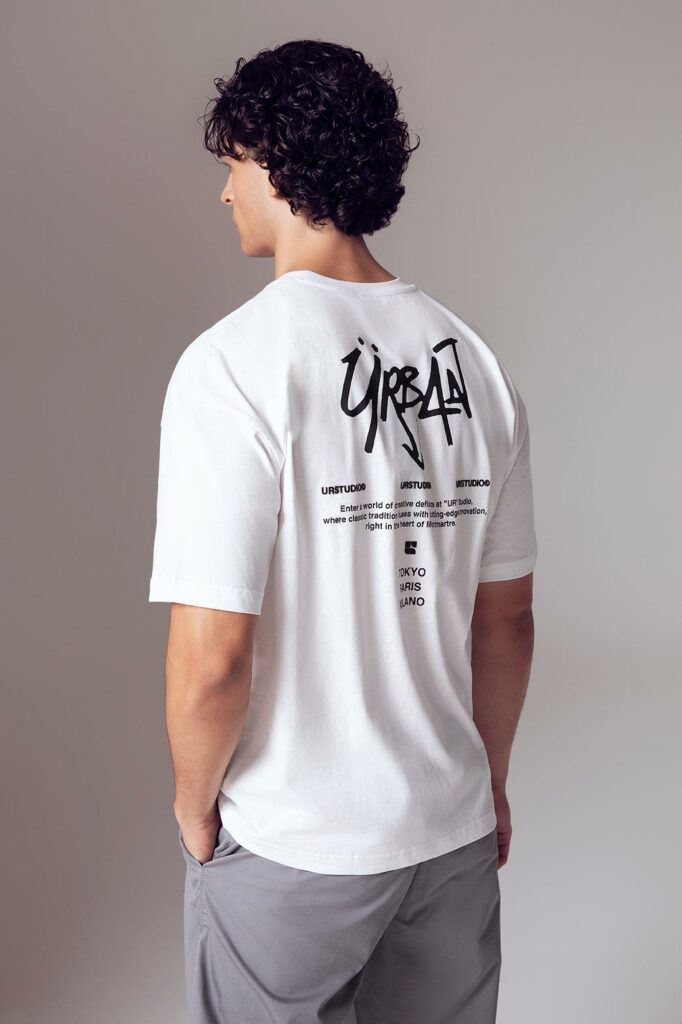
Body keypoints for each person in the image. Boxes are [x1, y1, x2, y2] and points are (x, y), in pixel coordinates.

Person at [148, 38, 536, 1024]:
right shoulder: (476, 363)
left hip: (296, 840)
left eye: (233, 163)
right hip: (448, 835)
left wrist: (194, 808)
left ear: (276, 162)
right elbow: (507, 620)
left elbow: (211, 653)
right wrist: (487, 786)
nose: (224, 191)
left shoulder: (232, 366)